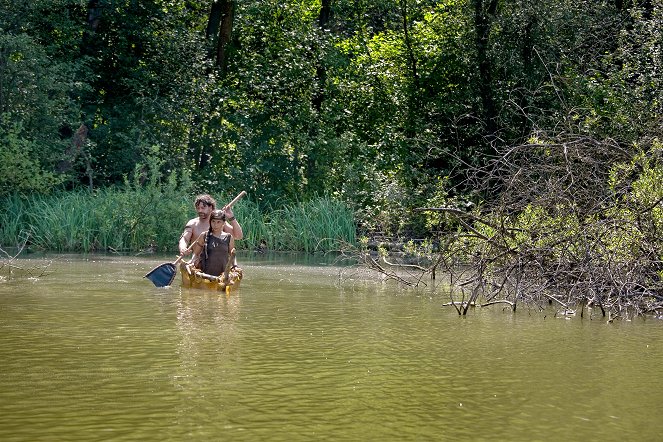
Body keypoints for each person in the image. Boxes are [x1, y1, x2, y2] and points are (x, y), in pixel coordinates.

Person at [178, 194, 243, 256]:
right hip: (197, 261)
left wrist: (231, 217)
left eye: (203, 208)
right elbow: (185, 238)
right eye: (198, 208)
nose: (200, 210)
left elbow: (238, 236)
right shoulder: (192, 223)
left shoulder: (220, 223)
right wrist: (182, 248)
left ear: (211, 208)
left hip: (218, 262)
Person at [188, 210, 236, 276]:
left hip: (222, 276)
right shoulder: (204, 235)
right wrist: (192, 262)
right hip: (204, 275)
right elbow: (196, 254)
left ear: (224, 223)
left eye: (218, 222)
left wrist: (235, 266)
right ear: (210, 222)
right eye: (213, 221)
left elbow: (232, 255)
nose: (215, 225)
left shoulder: (229, 237)